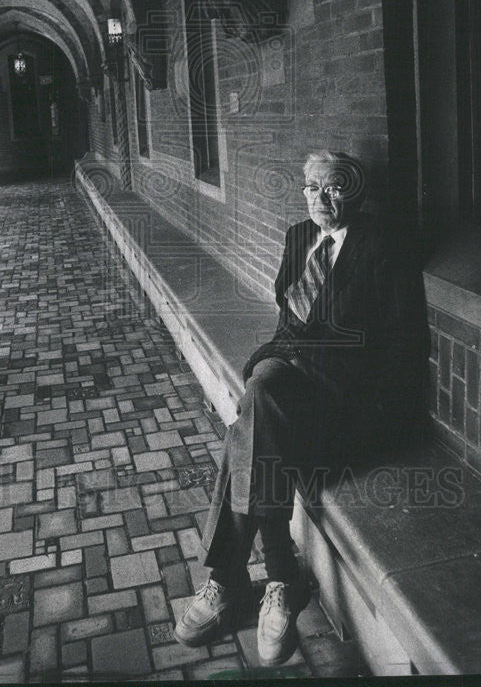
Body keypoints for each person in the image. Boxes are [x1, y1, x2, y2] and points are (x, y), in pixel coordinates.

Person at [174, 149, 427, 665]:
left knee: (251, 420)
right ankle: (282, 583)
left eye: (333, 187)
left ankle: (231, 580)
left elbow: (400, 345)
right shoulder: (297, 238)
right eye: (312, 187)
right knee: (262, 401)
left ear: (353, 192)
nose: (321, 198)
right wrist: (278, 356)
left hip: (345, 400)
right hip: (289, 378)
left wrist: (372, 412)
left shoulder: (382, 246)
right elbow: (285, 321)